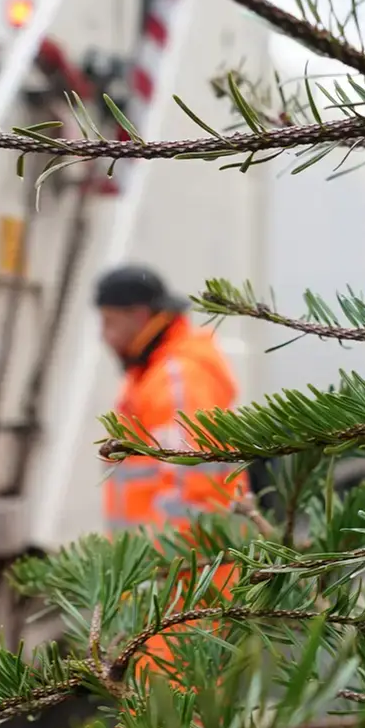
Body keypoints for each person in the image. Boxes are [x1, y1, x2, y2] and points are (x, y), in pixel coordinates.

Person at [95, 264, 247, 677]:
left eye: (110, 322)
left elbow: (192, 487)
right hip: (171, 578)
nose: (103, 336)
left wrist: (157, 571)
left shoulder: (176, 376)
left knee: (168, 704)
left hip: (179, 583)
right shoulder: (157, 373)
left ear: (140, 316)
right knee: (164, 705)